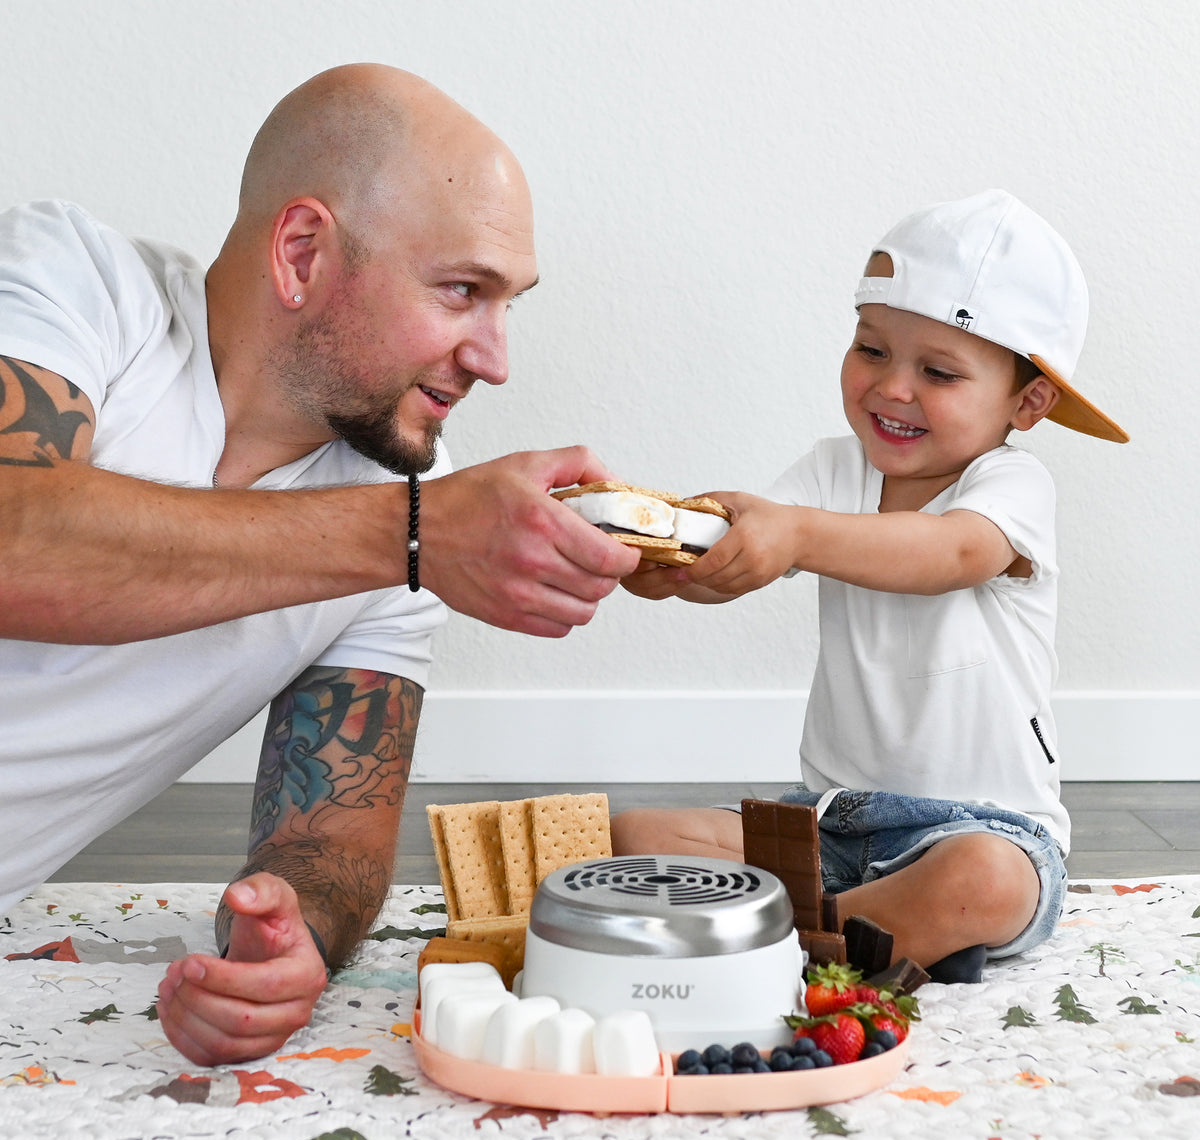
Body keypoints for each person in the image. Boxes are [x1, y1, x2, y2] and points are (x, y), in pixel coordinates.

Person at [0, 63, 641, 1065]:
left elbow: (328, 836)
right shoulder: (77, 283)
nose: (495, 358)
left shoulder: (408, 515)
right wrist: (417, 534)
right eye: (462, 292)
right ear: (302, 253)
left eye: (508, 303)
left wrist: (288, 939)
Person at [612, 190, 1129, 983]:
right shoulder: (831, 469)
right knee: (634, 834)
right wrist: (665, 567)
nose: (892, 388)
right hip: (830, 821)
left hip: (983, 828)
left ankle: (783, 946)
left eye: (939, 371)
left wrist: (798, 531)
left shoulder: (1012, 487)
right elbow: (744, 560)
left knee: (982, 883)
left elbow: (949, 554)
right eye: (872, 350)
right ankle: (862, 935)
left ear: (1027, 402)